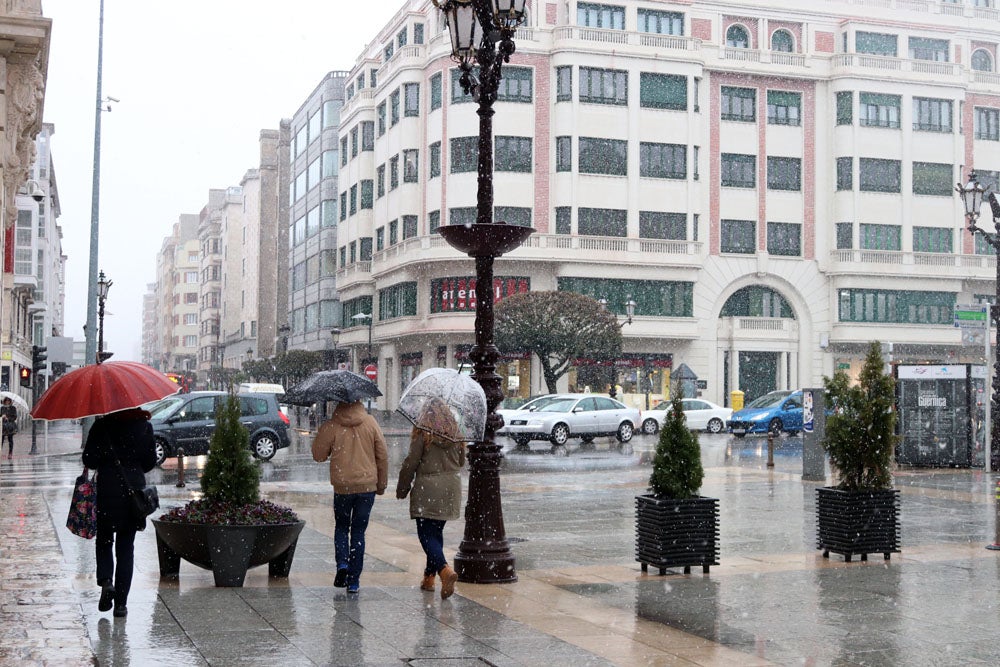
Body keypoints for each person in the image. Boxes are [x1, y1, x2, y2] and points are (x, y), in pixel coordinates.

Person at [81, 408, 157, 618]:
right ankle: (121, 604)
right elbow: (150, 462)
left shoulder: (103, 425)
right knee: (126, 547)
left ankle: (106, 581)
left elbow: (89, 459)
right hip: (133, 493)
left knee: (104, 540)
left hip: (107, 490)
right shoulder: (144, 426)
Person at [311, 400, 388, 594]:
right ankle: (354, 581)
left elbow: (318, 455)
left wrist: (322, 435)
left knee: (342, 527)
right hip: (366, 486)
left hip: (343, 487)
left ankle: (342, 564)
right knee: (359, 532)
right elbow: (383, 455)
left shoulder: (332, 425)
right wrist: (381, 485)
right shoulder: (370, 422)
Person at [395, 397, 466, 599]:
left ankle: (444, 571)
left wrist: (403, 488)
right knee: (435, 533)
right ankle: (428, 578)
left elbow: (411, 463)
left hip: (428, 489)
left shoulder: (424, 433)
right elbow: (461, 461)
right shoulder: (456, 434)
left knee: (426, 535)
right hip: (450, 489)